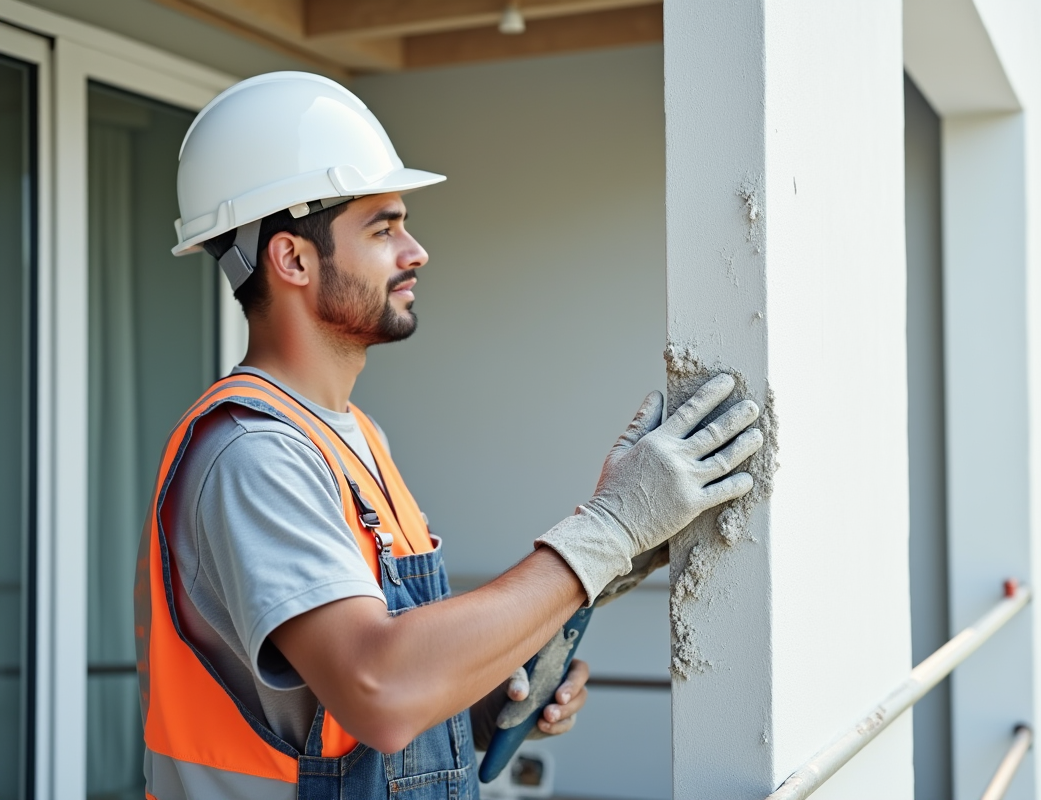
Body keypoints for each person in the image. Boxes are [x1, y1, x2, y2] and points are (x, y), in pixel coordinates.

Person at [134, 71, 763, 800]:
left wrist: (479, 707)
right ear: (293, 259)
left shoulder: (355, 439)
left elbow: (366, 699)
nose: (415, 251)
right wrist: (610, 528)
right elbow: (380, 688)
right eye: (383, 228)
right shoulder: (253, 453)